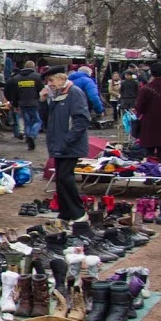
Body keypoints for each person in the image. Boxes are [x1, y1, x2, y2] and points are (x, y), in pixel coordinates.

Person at [45, 67, 91, 225]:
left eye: (51, 80)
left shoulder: (75, 92)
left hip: (70, 144)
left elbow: (82, 120)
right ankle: (65, 212)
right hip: (60, 144)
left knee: (66, 177)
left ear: (61, 78)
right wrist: (43, 100)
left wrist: (67, 140)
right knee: (60, 179)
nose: (49, 84)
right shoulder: (57, 94)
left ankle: (78, 213)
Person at [6, 60, 44, 150]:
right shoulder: (37, 77)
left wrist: (15, 104)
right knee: (38, 121)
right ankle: (32, 135)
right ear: (34, 67)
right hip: (34, 103)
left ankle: (28, 139)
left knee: (27, 122)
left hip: (22, 104)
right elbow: (42, 89)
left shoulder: (17, 78)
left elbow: (14, 93)